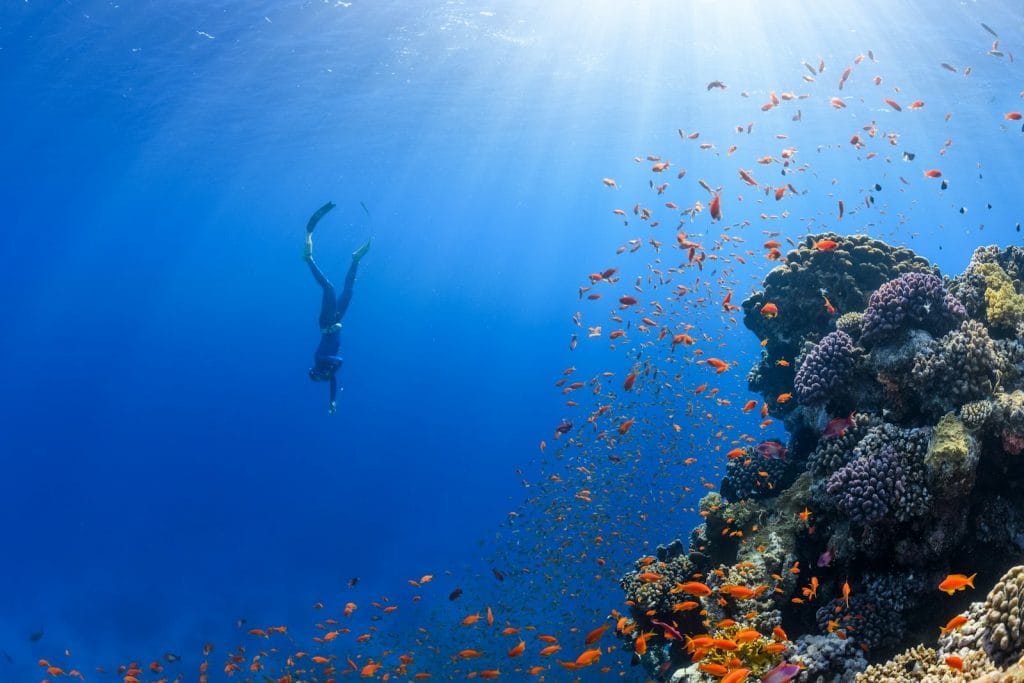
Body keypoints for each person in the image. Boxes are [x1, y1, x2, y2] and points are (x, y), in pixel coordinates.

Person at [304, 201, 371, 414]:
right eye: (322, 378)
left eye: (320, 376)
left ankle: (308, 259)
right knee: (349, 292)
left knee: (330, 289)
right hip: (337, 322)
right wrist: (332, 401)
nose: (324, 378)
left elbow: (338, 360)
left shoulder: (321, 361)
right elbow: (332, 382)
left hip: (326, 324)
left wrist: (329, 370)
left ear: (316, 371)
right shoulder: (329, 372)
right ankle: (356, 259)